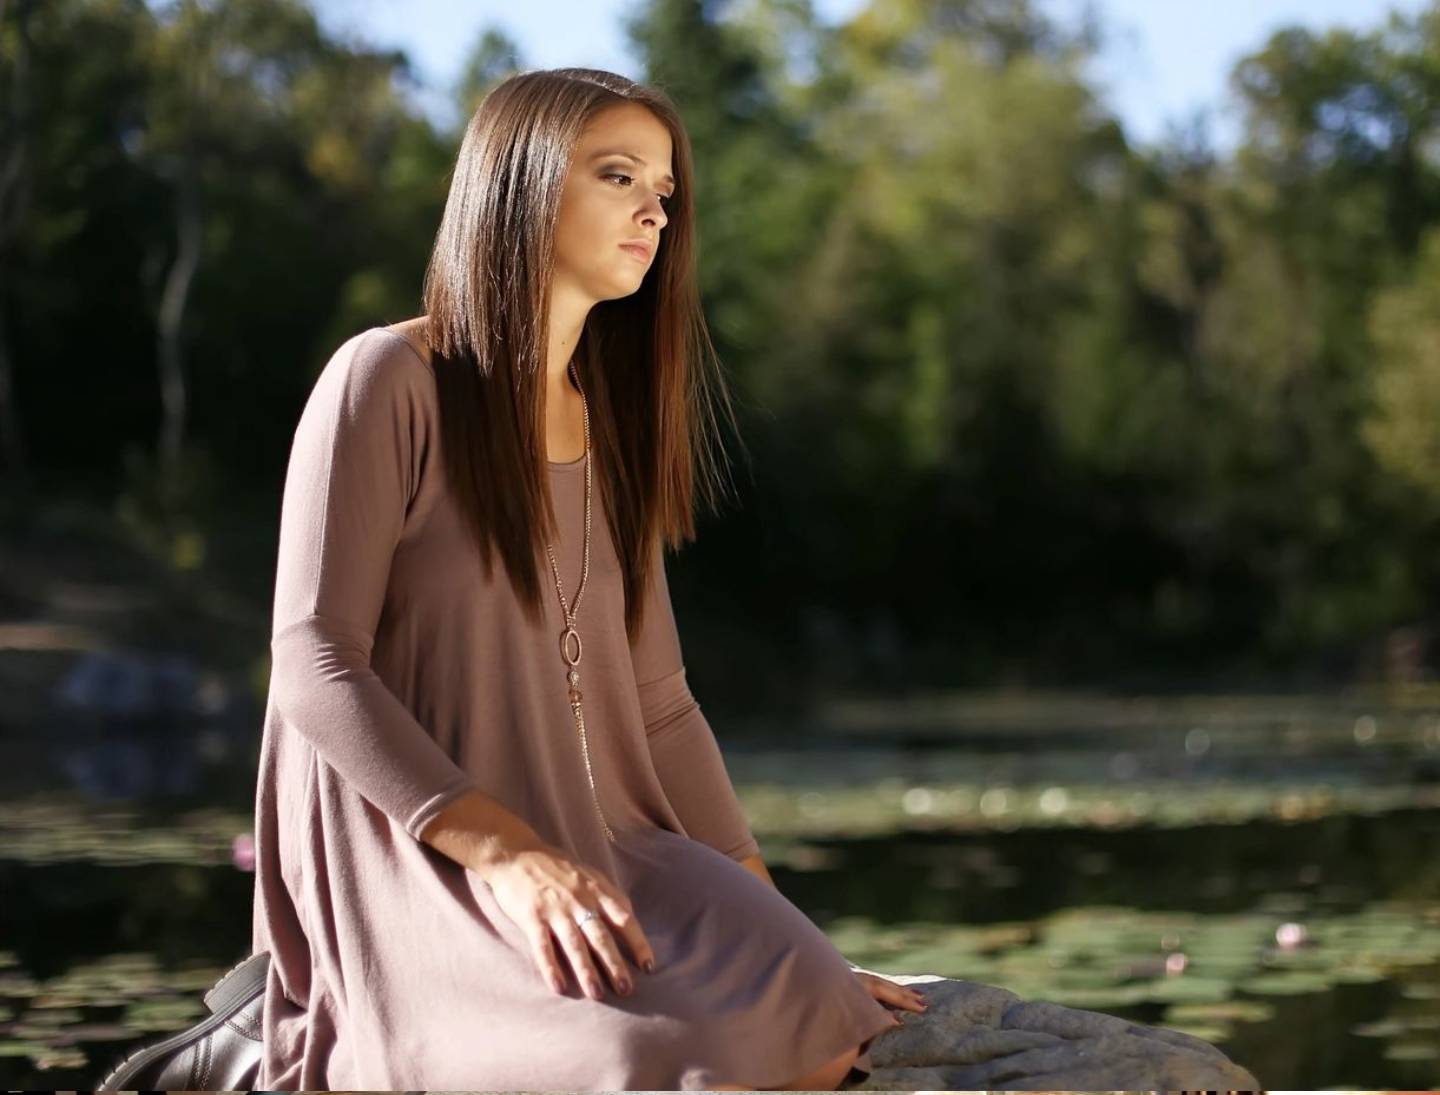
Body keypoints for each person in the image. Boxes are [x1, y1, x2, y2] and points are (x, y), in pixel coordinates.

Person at [249, 66, 927, 1091]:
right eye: (619, 175)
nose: (655, 208)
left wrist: (779, 930)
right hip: (423, 852)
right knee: (640, 1057)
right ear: (518, 184)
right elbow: (311, 663)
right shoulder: (387, 380)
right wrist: (511, 856)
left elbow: (659, 707)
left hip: (601, 844)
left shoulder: (609, 431)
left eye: (664, 188)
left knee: (820, 1007)